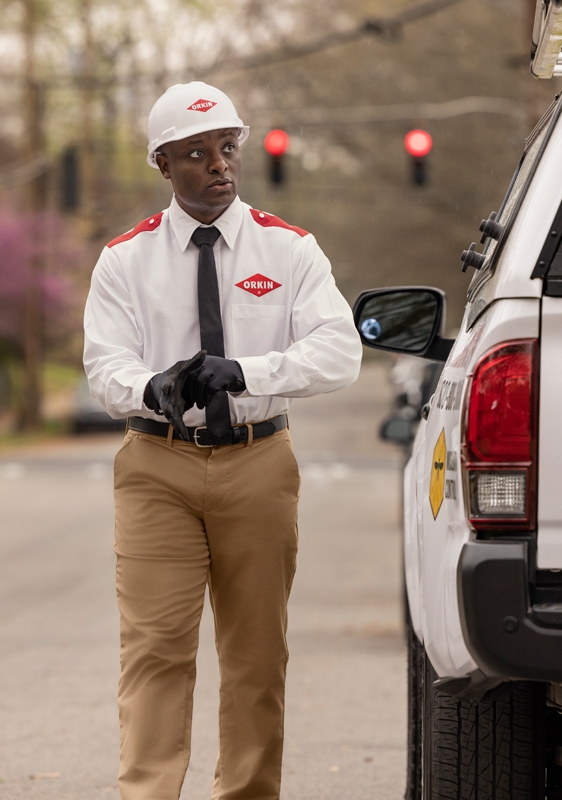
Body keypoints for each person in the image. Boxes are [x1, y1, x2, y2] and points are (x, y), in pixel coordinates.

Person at [83, 80, 362, 800]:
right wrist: (153, 388)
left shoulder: (290, 249)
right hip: (155, 467)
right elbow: (104, 366)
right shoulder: (125, 260)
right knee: (154, 651)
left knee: (255, 657)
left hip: (259, 462)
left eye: (228, 148)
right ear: (163, 164)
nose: (219, 165)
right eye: (198, 153)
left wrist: (245, 370)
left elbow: (339, 352)